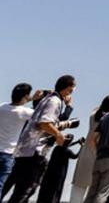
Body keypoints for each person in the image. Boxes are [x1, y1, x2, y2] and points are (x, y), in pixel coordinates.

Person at [8, 75, 76, 203]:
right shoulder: (54, 101)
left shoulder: (47, 99)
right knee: (27, 189)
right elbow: (44, 123)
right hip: (35, 151)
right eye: (71, 89)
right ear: (68, 89)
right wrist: (58, 135)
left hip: (25, 150)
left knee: (19, 190)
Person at [70, 95, 109, 203]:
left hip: (85, 154)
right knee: (94, 191)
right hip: (97, 155)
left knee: (78, 189)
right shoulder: (108, 120)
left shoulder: (94, 114)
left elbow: (96, 109)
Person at [36, 106, 83, 203]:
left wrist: (77, 143)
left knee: (46, 190)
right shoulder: (66, 151)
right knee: (56, 191)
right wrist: (82, 147)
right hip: (59, 175)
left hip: (50, 173)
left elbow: (66, 146)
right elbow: (75, 156)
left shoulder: (57, 148)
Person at [0, 83, 36, 196]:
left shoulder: (2, 107)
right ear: (25, 96)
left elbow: (17, 104)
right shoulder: (26, 112)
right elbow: (42, 117)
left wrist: (30, 98)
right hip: (7, 154)